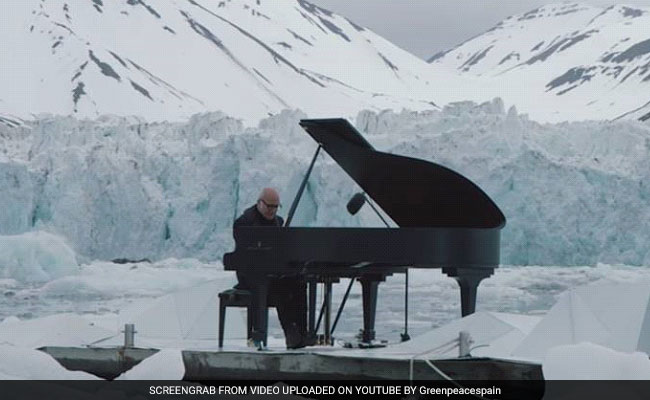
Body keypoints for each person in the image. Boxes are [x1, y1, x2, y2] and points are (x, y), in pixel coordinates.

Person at [233, 188, 311, 350]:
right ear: (259, 203)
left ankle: (302, 332)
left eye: (276, 207)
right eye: (269, 206)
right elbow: (244, 254)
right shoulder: (244, 222)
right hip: (250, 275)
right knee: (278, 288)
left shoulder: (279, 222)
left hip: (273, 272)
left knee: (299, 283)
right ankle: (290, 332)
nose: (272, 210)